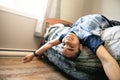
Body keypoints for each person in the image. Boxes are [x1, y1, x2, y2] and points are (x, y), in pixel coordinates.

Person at [23, 14, 120, 80]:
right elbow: (107, 61)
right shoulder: (88, 38)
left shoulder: (65, 35)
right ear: (81, 47)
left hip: (80, 21)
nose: (67, 41)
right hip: (105, 20)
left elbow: (50, 44)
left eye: (63, 45)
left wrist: (34, 54)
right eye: (71, 47)